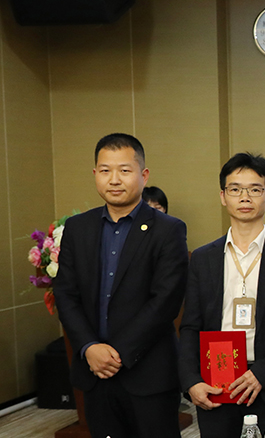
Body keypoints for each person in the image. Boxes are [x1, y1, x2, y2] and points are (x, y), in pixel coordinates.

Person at [53, 133, 189, 438]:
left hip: (149, 373)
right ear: (95, 174)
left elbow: (165, 301)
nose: (114, 179)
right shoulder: (78, 228)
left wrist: (117, 353)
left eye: (124, 170)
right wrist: (89, 348)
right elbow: (66, 294)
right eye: (105, 170)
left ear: (144, 175)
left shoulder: (168, 230)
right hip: (94, 373)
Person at [178, 153, 265, 437]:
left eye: (255, 189)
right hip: (215, 380)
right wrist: (191, 381)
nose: (244, 197)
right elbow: (190, 325)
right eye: (235, 189)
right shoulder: (203, 258)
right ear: (223, 196)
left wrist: (262, 373)